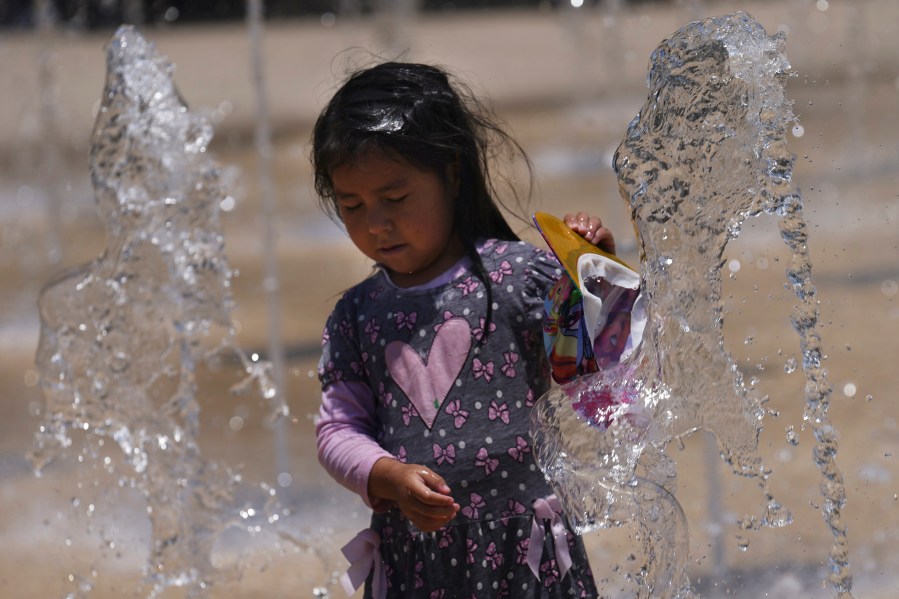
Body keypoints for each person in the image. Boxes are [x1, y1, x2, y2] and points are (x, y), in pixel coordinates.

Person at [312, 61, 616, 598]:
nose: (376, 223)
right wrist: (384, 474)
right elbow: (337, 430)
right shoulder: (357, 316)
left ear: (452, 173)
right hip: (419, 560)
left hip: (527, 551)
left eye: (395, 199)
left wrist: (592, 284)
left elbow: (592, 382)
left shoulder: (521, 278)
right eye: (352, 205)